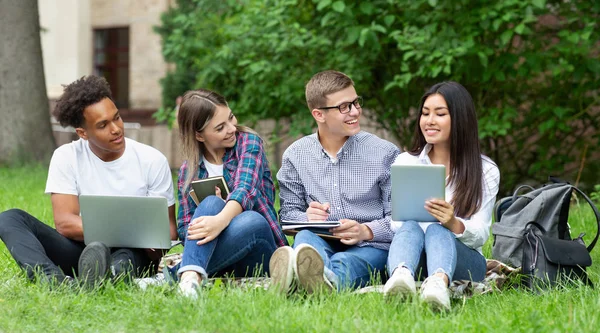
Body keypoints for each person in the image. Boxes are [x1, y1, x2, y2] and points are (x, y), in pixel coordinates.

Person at [0, 75, 177, 287]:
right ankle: (53, 281)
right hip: (82, 249)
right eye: (103, 125)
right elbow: (65, 223)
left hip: (132, 252)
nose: (116, 129)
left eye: (117, 117)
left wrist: (150, 242)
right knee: (9, 218)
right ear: (83, 133)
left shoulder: (152, 160)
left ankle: (103, 277)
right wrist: (126, 230)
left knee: (125, 258)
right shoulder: (66, 156)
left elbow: (168, 230)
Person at [270, 70, 400, 293]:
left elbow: (401, 219)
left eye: (356, 102)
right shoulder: (295, 155)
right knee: (305, 236)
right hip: (322, 241)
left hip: (371, 246)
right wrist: (307, 217)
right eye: (344, 107)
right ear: (319, 114)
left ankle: (306, 281)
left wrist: (365, 230)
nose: (355, 112)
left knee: (348, 263)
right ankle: (311, 279)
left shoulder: (385, 153)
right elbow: (288, 215)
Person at [383, 81, 500, 310]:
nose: (429, 121)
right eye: (425, 113)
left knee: (438, 229)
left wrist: (453, 223)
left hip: (464, 262)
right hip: (417, 256)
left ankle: (439, 285)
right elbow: (397, 225)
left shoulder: (485, 170)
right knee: (408, 225)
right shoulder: (406, 162)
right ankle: (401, 277)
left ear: (459, 119)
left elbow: (481, 235)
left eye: (440, 114)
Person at [175, 89, 287, 298]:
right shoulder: (188, 171)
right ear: (199, 135)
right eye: (220, 127)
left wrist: (221, 220)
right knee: (209, 204)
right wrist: (211, 215)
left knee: (252, 219)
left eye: (231, 118)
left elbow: (247, 189)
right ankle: (191, 278)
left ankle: (179, 274)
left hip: (258, 246)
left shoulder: (249, 143)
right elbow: (184, 230)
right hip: (221, 259)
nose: (231, 128)